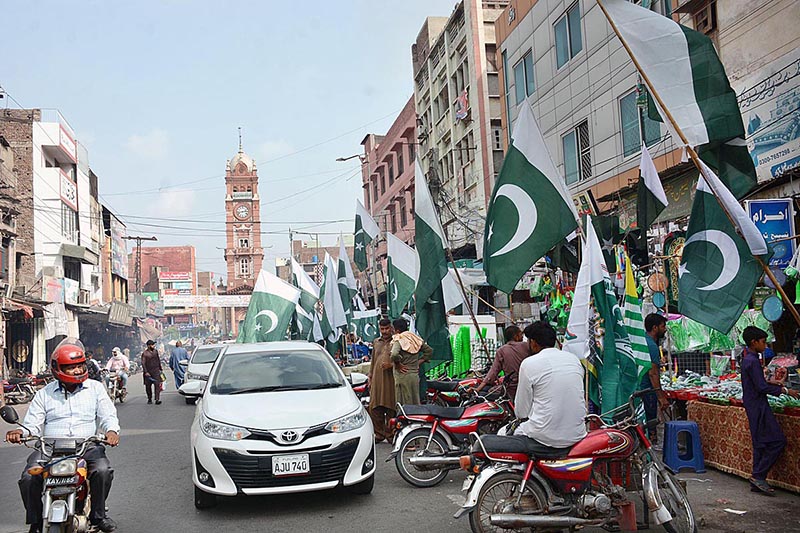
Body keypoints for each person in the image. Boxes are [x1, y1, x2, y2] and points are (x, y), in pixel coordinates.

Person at [5, 338, 120, 533]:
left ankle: (98, 516)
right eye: (70, 367)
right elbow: (32, 424)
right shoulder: (44, 393)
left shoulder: (95, 389)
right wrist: (21, 432)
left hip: (87, 446)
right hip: (49, 448)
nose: (77, 370)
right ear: (58, 368)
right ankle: (35, 521)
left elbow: (107, 415)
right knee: (28, 477)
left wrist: (111, 431)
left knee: (102, 470)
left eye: (79, 365)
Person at [740, 326, 799, 495]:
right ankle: (758, 475)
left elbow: (759, 383)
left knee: (760, 443)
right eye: (763, 342)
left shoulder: (749, 359)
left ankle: (757, 479)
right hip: (758, 406)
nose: (765, 345)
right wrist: (786, 391)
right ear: (754, 342)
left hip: (754, 404)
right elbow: (760, 386)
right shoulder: (751, 361)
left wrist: (772, 383)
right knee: (778, 441)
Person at [515, 321, 587, 448]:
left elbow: (521, 412)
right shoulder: (574, 360)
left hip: (544, 436)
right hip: (577, 433)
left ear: (533, 343)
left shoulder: (529, 364)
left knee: (504, 434)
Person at [473, 325, 531, 399]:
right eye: (521, 335)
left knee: (492, 391)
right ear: (516, 336)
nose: (522, 337)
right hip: (527, 386)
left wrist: (478, 389)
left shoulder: (501, 350)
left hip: (511, 388)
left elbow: (493, 372)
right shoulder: (527, 346)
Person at [640, 314, 670, 442]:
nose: (665, 329)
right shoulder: (651, 346)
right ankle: (650, 445)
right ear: (654, 328)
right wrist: (661, 396)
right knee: (650, 420)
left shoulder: (643, 341)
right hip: (647, 390)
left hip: (642, 388)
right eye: (663, 326)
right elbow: (653, 373)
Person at [390, 318, 432, 405]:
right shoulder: (414, 338)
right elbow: (429, 350)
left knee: (403, 401)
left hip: (402, 375)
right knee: (415, 399)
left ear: (397, 330)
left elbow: (394, 354)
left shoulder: (399, 339)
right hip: (414, 374)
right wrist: (420, 361)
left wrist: (398, 364)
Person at [369, 319, 396, 443]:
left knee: (391, 407)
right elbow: (373, 361)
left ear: (391, 328)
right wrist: (370, 377)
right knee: (375, 408)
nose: (384, 331)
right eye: (382, 329)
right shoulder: (376, 342)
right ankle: (379, 434)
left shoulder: (397, 341)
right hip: (377, 379)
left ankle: (391, 435)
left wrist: (391, 365)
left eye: (386, 329)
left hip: (391, 380)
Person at [141, 340, 163, 405]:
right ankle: (149, 398)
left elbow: (158, 360)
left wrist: (160, 369)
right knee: (148, 386)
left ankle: (157, 399)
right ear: (148, 346)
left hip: (156, 371)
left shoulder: (155, 352)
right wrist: (146, 372)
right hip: (148, 372)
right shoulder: (145, 354)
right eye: (152, 345)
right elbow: (143, 363)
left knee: (157, 385)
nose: (153, 346)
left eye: (154, 345)